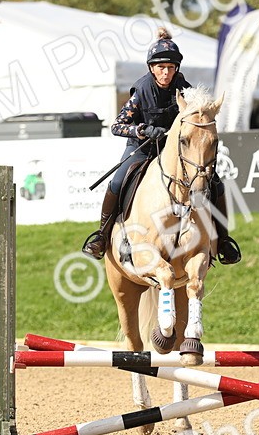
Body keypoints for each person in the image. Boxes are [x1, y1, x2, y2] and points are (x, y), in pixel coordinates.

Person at [81, 28, 242, 265]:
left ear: (176, 68)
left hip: (173, 152)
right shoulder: (142, 90)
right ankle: (102, 236)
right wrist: (142, 130)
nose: (166, 73)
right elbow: (118, 125)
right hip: (143, 148)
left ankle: (224, 240)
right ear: (151, 68)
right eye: (160, 67)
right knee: (117, 181)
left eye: (170, 68)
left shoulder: (183, 88)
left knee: (215, 182)